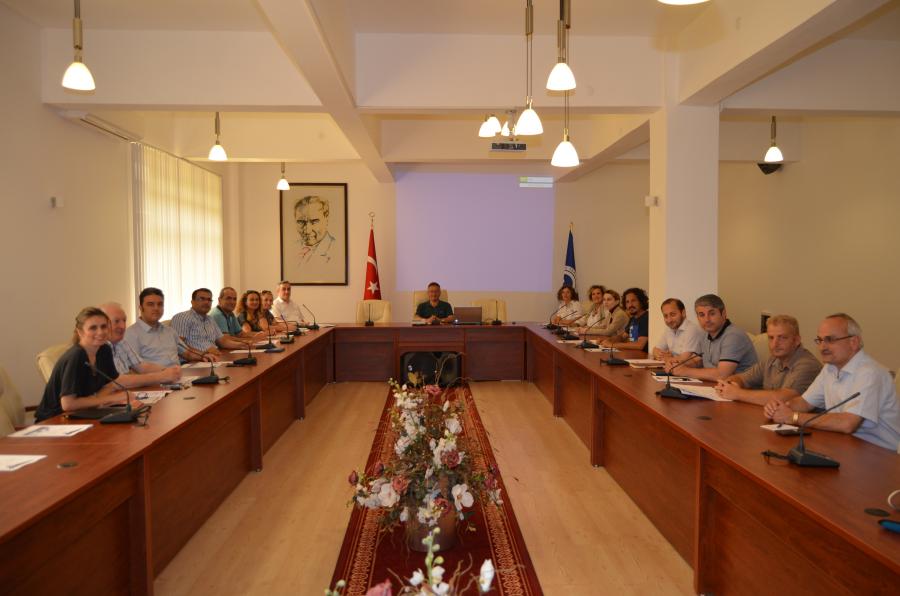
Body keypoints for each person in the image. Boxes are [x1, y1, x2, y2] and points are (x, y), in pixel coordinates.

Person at [764, 313, 900, 450]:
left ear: (853, 342)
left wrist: (793, 417)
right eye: (820, 340)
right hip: (844, 446)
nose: (823, 347)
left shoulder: (870, 374)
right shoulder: (830, 368)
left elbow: (848, 423)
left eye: (830, 340)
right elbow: (804, 403)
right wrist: (780, 407)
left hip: (882, 456)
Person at [35, 307, 127, 421]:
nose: (100, 332)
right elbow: (68, 404)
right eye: (93, 328)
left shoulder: (104, 350)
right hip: (56, 420)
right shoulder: (76, 356)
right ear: (80, 332)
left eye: (104, 326)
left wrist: (95, 399)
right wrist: (110, 399)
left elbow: (111, 385)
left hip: (84, 414)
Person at [716, 314, 821, 405]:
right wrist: (731, 385)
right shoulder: (772, 360)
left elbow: (785, 398)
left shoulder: (807, 365)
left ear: (797, 340)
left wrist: (737, 393)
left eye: (782, 337)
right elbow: (742, 378)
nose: (775, 344)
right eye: (771, 338)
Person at [671, 294, 757, 381]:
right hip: (715, 387)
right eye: (701, 315)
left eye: (712, 313)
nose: (707, 319)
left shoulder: (734, 336)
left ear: (723, 314)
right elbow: (698, 360)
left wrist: (685, 371)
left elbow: (722, 375)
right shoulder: (704, 333)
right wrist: (678, 365)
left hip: (742, 390)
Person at [100, 302, 182, 385]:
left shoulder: (121, 342)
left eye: (124, 320)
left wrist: (169, 371)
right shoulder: (99, 347)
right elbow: (117, 381)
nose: (122, 326)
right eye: (116, 321)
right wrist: (161, 376)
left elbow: (141, 366)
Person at [125, 288, 210, 366]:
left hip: (179, 377)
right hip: (154, 380)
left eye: (160, 304)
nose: (156, 308)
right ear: (141, 308)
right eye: (150, 304)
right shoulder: (131, 334)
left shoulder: (169, 331)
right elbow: (133, 369)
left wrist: (204, 356)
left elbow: (187, 353)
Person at [171, 288, 250, 355]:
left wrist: (242, 345)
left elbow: (222, 341)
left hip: (213, 358)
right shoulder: (182, 317)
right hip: (193, 362)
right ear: (192, 302)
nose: (206, 302)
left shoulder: (210, 319)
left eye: (209, 300)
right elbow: (178, 345)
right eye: (202, 299)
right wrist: (202, 355)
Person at [651, 298, 704, 365]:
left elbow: (684, 359)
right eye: (665, 316)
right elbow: (655, 350)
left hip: (689, 371)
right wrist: (660, 355)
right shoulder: (669, 329)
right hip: (674, 369)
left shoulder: (692, 329)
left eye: (673, 314)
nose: (669, 320)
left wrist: (668, 358)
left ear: (683, 313)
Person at [601, 287, 649, 352]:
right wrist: (608, 340)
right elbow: (622, 337)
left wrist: (612, 345)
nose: (630, 305)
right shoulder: (633, 319)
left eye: (633, 301)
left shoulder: (646, 318)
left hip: (642, 357)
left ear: (641, 301)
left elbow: (639, 345)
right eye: (627, 302)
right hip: (632, 354)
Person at [295, 195, 336, 267]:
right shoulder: (292, 247)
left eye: (314, 221)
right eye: (301, 222)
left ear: (326, 218)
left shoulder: (336, 249)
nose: (307, 231)